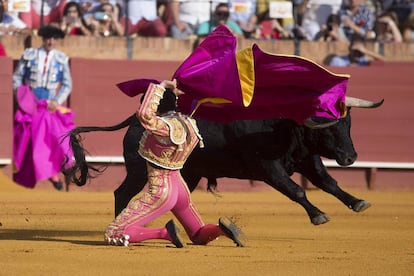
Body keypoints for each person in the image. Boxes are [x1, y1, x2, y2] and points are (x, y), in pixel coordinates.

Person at [105, 79, 245, 248]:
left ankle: (164, 233)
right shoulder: (189, 123)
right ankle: (218, 230)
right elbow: (180, 108)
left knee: (114, 232)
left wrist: (160, 88)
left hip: (161, 191)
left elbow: (144, 115)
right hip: (180, 190)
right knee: (198, 234)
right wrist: (174, 95)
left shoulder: (164, 127)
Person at [12, 24, 75, 190]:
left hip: (49, 107)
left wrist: (57, 101)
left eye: (54, 39)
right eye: (48, 38)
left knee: (57, 140)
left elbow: (67, 85)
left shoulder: (61, 58)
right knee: (33, 144)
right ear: (43, 39)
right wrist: (22, 98)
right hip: (31, 107)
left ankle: (57, 171)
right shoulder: (30, 55)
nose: (51, 41)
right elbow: (17, 78)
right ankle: (52, 176)